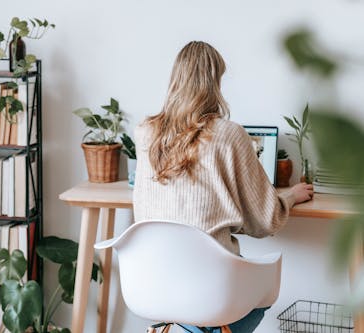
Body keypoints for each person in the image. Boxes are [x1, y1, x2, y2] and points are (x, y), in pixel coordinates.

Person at [132, 41, 314, 333]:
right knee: (265, 288)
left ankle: (191, 327)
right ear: (214, 82)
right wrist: (289, 196)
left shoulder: (145, 134)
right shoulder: (229, 135)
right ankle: (206, 328)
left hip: (155, 280)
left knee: (198, 294)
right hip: (210, 288)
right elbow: (266, 220)